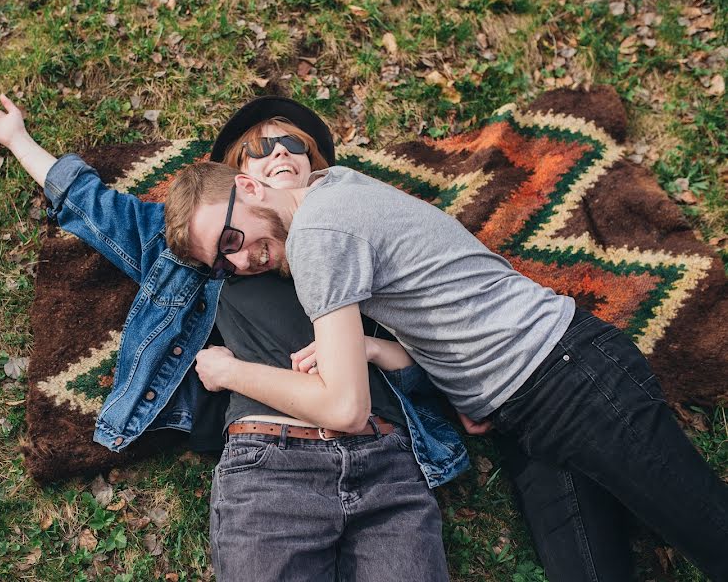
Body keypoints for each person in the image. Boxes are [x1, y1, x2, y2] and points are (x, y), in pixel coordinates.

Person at [0, 89, 466, 580]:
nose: (281, 154)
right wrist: (17, 140)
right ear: (240, 183)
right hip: (272, 467)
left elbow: (431, 362)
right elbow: (93, 206)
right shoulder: (205, 255)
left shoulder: (362, 241)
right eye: (260, 148)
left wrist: (378, 349)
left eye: (295, 145)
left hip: (391, 463)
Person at [164, 159, 728, 580]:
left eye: (232, 238)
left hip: (571, 378)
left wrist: (231, 372)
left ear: (249, 184)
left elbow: (344, 409)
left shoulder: (317, 234)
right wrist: (384, 354)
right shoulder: (336, 186)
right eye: (222, 262)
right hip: (525, 416)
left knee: (708, 528)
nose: (241, 261)